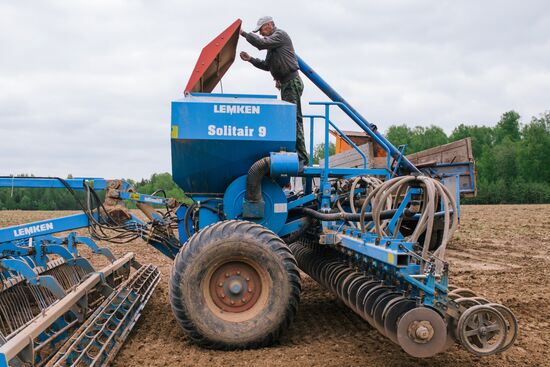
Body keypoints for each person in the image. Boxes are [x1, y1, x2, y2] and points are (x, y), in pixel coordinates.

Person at [239, 16, 309, 167]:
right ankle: (298, 156)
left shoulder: (280, 35)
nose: (262, 34)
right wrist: (251, 59)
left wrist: (243, 33)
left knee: (294, 120)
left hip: (291, 83)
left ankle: (302, 159)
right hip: (286, 84)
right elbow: (267, 65)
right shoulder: (272, 46)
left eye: (262, 30)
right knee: (291, 120)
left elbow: (260, 43)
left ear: (269, 25)